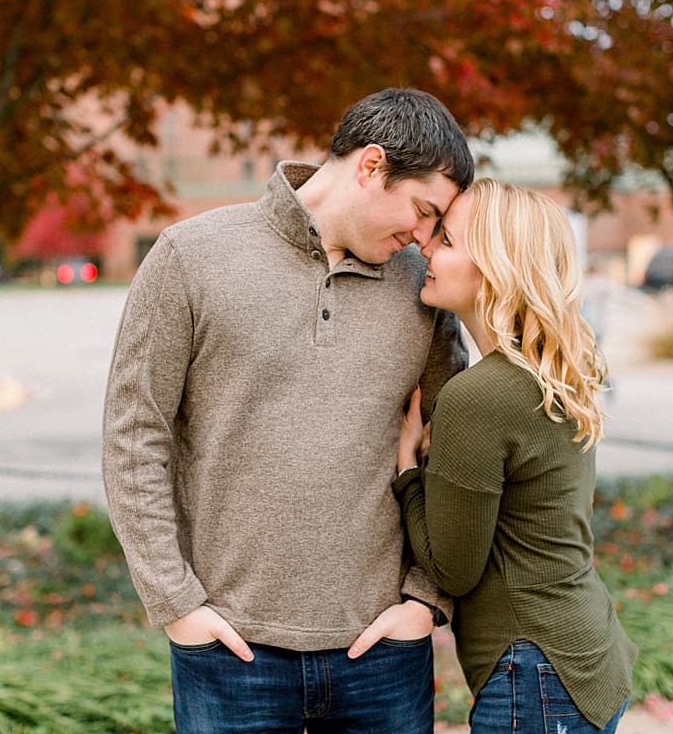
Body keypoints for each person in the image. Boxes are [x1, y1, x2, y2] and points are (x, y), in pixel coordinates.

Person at [102, 87, 473, 734]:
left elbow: (454, 444)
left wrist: (425, 599)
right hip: (229, 651)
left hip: (383, 655)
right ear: (371, 165)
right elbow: (135, 434)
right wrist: (176, 603)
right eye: (422, 210)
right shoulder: (190, 257)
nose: (423, 236)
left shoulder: (423, 285)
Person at [391, 178, 637, 734]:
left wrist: (408, 470)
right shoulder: (555, 369)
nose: (425, 248)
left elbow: (452, 570)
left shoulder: (479, 396)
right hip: (584, 649)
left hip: (538, 671)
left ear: (494, 269)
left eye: (446, 240)